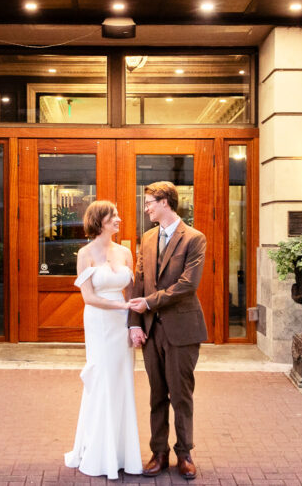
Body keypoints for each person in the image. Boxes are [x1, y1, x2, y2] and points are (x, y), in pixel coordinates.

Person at [128, 181, 207, 480]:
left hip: (182, 329)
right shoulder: (147, 238)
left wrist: (149, 303)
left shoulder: (194, 238)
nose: (146, 207)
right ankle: (158, 452)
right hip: (150, 331)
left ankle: (184, 453)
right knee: (156, 394)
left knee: (181, 395)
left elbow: (188, 285)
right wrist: (135, 324)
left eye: (149, 202)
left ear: (165, 202)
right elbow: (139, 280)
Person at [64, 200, 143, 480]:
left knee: (122, 381)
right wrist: (123, 307)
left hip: (122, 326)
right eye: (114, 216)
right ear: (100, 221)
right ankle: (98, 451)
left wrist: (134, 324)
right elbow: (88, 297)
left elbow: (132, 291)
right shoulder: (85, 254)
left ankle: (122, 453)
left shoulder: (125, 253)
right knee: (102, 380)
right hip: (99, 323)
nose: (119, 220)